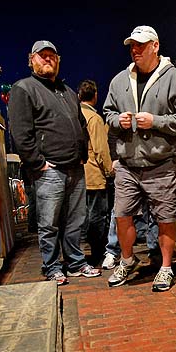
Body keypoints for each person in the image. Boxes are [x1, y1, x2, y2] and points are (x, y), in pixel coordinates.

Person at [103, 25, 176, 292]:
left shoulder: (175, 78)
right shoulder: (119, 80)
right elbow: (107, 111)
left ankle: (166, 267)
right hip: (127, 164)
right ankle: (127, 260)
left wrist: (156, 121)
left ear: (155, 46)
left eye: (141, 45)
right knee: (122, 215)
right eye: (132, 45)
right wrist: (116, 120)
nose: (135, 50)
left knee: (166, 217)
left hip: (162, 163)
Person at [10, 40, 101, 285]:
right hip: (49, 170)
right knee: (49, 223)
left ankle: (75, 263)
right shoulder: (24, 88)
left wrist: (83, 155)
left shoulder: (67, 91)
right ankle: (51, 266)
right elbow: (20, 132)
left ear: (58, 60)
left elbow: (81, 125)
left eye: (52, 56)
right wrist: (38, 163)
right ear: (31, 59)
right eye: (42, 56)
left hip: (75, 168)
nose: (48, 59)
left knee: (74, 222)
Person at [78, 79, 113, 266]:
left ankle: (79, 252)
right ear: (96, 96)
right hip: (94, 175)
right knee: (98, 216)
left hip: (78, 174)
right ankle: (98, 252)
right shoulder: (95, 119)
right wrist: (109, 170)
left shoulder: (75, 115)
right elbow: (101, 149)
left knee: (81, 216)